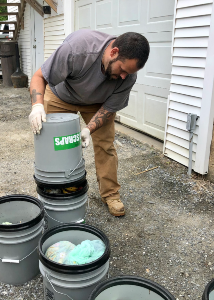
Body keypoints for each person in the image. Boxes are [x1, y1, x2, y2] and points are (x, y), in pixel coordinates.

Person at [28, 29, 150, 216]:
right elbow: (39, 76)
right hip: (62, 95)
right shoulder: (77, 49)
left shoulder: (129, 76)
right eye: (123, 70)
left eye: (129, 73)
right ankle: (57, 190)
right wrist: (37, 106)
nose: (124, 76)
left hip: (98, 102)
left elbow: (109, 109)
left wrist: (88, 129)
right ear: (113, 52)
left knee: (105, 145)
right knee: (57, 144)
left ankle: (111, 195)